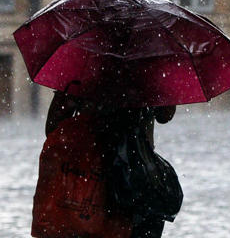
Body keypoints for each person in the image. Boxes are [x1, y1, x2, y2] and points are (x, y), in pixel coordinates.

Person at [32, 90, 178, 238]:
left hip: (90, 169)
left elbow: (53, 127)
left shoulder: (83, 72)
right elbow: (165, 115)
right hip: (134, 173)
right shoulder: (149, 71)